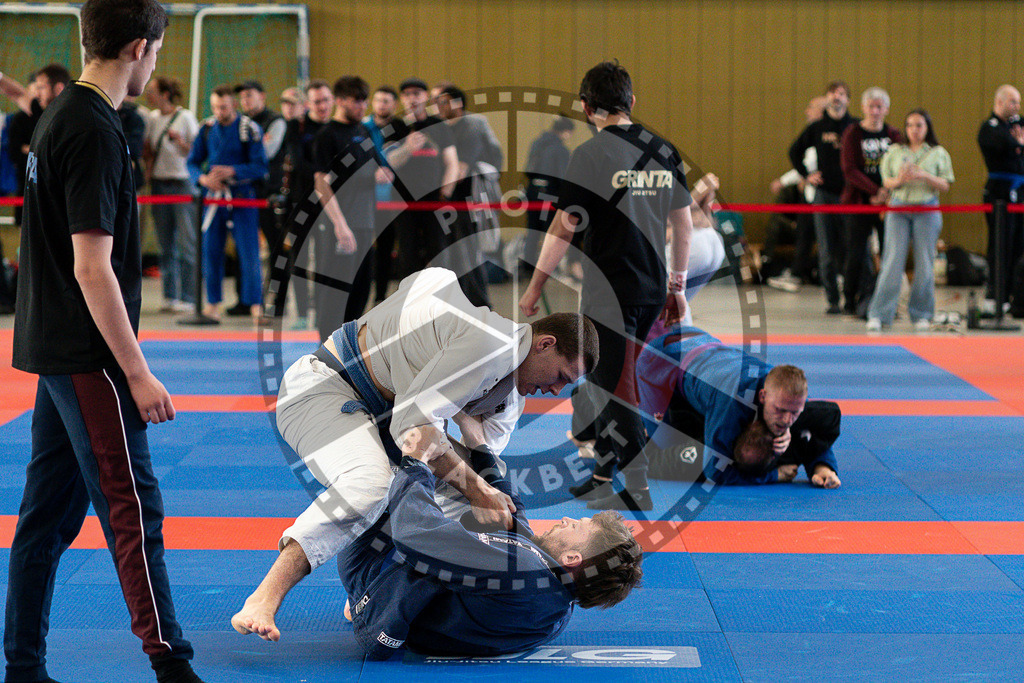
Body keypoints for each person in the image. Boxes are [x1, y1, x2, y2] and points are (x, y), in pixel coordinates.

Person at [230, 267, 599, 643]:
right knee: (371, 483)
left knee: (479, 501)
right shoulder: (489, 343)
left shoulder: (510, 398)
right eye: (560, 377)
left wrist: (484, 491)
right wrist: (474, 486)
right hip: (326, 389)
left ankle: (379, 586)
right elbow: (413, 430)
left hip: (385, 421)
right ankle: (265, 596)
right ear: (544, 344)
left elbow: (476, 468)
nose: (555, 391)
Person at [7, 1, 207, 680]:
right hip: (89, 355)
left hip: (58, 348)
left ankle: (24, 665)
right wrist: (138, 370)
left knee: (47, 517)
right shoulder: (92, 127)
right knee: (132, 508)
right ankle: (170, 662)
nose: (158, 61)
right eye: (158, 49)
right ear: (139, 46)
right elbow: (92, 266)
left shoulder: (62, 114)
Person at [519, 60, 694, 511]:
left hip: (610, 287)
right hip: (652, 285)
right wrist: (677, 285)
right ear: (632, 102)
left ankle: (635, 480)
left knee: (612, 381)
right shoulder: (663, 149)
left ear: (585, 107)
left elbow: (564, 227)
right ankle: (603, 471)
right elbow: (684, 223)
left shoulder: (590, 155)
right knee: (611, 376)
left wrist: (535, 285)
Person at [335, 451, 643, 659]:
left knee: (379, 468)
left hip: (370, 581)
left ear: (572, 559)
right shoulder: (557, 607)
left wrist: (415, 463)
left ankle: (358, 601)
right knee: (482, 503)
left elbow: (414, 534)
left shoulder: (521, 570)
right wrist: (481, 450)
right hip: (422, 618)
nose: (564, 520)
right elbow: (518, 529)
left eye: (574, 525)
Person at [637, 324, 841, 488]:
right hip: (660, 361)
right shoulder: (732, 402)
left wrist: (822, 467)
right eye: (780, 411)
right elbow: (714, 472)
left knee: (771, 425)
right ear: (762, 396)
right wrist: (773, 475)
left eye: (794, 413)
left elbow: (810, 427)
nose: (787, 419)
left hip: (703, 346)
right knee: (662, 449)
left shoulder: (788, 392)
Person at [186, 84, 268, 321]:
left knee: (249, 252)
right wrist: (202, 179)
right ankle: (213, 303)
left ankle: (256, 304)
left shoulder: (249, 129)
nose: (219, 111)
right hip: (213, 199)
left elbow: (260, 166)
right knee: (211, 251)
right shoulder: (206, 128)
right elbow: (192, 163)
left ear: (233, 104)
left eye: (223, 106)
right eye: (214, 107)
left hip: (242, 197)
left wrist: (233, 170)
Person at [867, 110, 954, 331]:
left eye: (919, 125)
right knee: (892, 261)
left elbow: (945, 184)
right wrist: (900, 179)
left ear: (927, 128)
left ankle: (922, 314)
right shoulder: (895, 151)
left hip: (927, 208)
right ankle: (880, 313)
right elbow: (885, 181)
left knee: (925, 262)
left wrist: (924, 175)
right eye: (910, 125)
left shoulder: (937, 152)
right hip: (899, 208)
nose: (914, 130)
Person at [310, 75, 381, 341]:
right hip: (341, 226)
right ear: (340, 101)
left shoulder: (363, 132)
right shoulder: (327, 135)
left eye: (365, 101)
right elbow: (321, 183)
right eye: (357, 102)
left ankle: (347, 345)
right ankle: (326, 348)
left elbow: (375, 169)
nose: (363, 107)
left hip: (365, 223)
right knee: (335, 291)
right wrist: (340, 225)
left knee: (361, 289)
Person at [788, 81, 857, 314]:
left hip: (850, 196)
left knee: (851, 249)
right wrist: (807, 175)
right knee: (826, 250)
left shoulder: (854, 126)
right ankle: (832, 300)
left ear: (848, 99)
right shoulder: (818, 127)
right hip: (824, 194)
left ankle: (851, 298)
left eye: (841, 94)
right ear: (827, 99)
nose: (836, 98)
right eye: (832, 94)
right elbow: (794, 151)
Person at [436, 83, 504, 307]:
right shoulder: (442, 127)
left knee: (467, 254)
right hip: (451, 199)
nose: (439, 106)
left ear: (457, 103)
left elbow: (462, 166)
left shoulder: (473, 124)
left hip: (468, 198)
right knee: (451, 256)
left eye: (443, 101)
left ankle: (479, 304)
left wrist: (442, 194)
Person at [385, 77, 459, 277]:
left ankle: (439, 301)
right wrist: (408, 148)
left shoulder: (439, 126)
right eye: (407, 95)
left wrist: (445, 194)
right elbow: (389, 162)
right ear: (401, 99)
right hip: (402, 201)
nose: (412, 99)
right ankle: (411, 302)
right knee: (408, 254)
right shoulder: (394, 126)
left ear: (426, 97)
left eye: (416, 94)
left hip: (433, 199)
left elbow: (452, 163)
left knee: (439, 252)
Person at [840, 87, 902, 317]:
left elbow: (900, 164)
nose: (875, 111)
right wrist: (874, 191)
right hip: (858, 202)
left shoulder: (893, 135)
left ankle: (885, 300)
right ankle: (850, 298)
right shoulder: (853, 133)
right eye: (871, 107)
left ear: (886, 109)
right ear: (864, 108)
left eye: (879, 107)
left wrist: (886, 191)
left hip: (887, 203)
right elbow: (850, 169)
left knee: (890, 253)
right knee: (856, 253)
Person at [143, 76, 199, 313]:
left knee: (186, 243)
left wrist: (180, 142)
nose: (148, 94)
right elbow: (148, 150)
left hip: (182, 184)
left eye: (152, 90)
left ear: (165, 94)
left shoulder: (185, 117)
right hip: (159, 185)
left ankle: (188, 296)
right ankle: (170, 296)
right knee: (166, 244)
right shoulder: (153, 119)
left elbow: (196, 152)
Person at [281, 79, 332, 330]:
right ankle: (301, 312)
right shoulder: (296, 127)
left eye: (325, 101)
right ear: (308, 104)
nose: (321, 106)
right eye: (316, 101)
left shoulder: (336, 128)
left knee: (325, 260)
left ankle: (323, 311)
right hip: (300, 203)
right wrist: (325, 175)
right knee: (298, 258)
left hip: (331, 206)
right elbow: (298, 163)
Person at [234, 80, 288, 314]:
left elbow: (267, 153)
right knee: (243, 247)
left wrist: (241, 157)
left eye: (249, 95)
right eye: (242, 97)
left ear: (263, 96)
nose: (245, 100)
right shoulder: (238, 123)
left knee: (276, 249)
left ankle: (277, 302)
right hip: (243, 194)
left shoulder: (275, 121)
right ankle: (245, 301)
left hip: (268, 194)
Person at [767, 94, 827, 292]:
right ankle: (797, 273)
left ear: (821, 111)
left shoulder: (823, 132)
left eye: (811, 107)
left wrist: (783, 181)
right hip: (810, 196)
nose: (806, 111)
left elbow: (809, 165)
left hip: (822, 197)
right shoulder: (813, 133)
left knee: (818, 237)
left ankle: (817, 275)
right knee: (805, 235)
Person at [0, 65, 72, 227]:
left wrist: (34, 149)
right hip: (36, 199)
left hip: (62, 206)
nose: (36, 92)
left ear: (59, 88)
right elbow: (17, 94)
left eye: (41, 87)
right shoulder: (41, 111)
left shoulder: (72, 116)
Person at [977, 84, 1024, 316]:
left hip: (1020, 191)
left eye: (1018, 101)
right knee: (1000, 244)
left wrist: (1018, 144)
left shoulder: (1019, 125)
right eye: (1013, 101)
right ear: (999, 102)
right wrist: (1018, 144)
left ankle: (1016, 296)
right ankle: (996, 295)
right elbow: (1003, 144)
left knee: (1019, 245)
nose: (1017, 106)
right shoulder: (989, 128)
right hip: (999, 191)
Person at [522, 116, 575, 276]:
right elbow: (562, 176)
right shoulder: (560, 150)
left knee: (532, 230)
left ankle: (528, 265)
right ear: (566, 132)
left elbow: (528, 169)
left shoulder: (537, 144)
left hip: (532, 191)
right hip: (550, 194)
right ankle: (548, 267)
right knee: (550, 232)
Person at [362, 85, 399, 304]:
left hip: (392, 199)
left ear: (394, 104)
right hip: (366, 197)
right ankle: (361, 295)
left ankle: (380, 297)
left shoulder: (401, 127)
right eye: (377, 100)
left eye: (386, 101)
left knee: (386, 247)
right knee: (364, 248)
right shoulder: (363, 127)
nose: (381, 105)